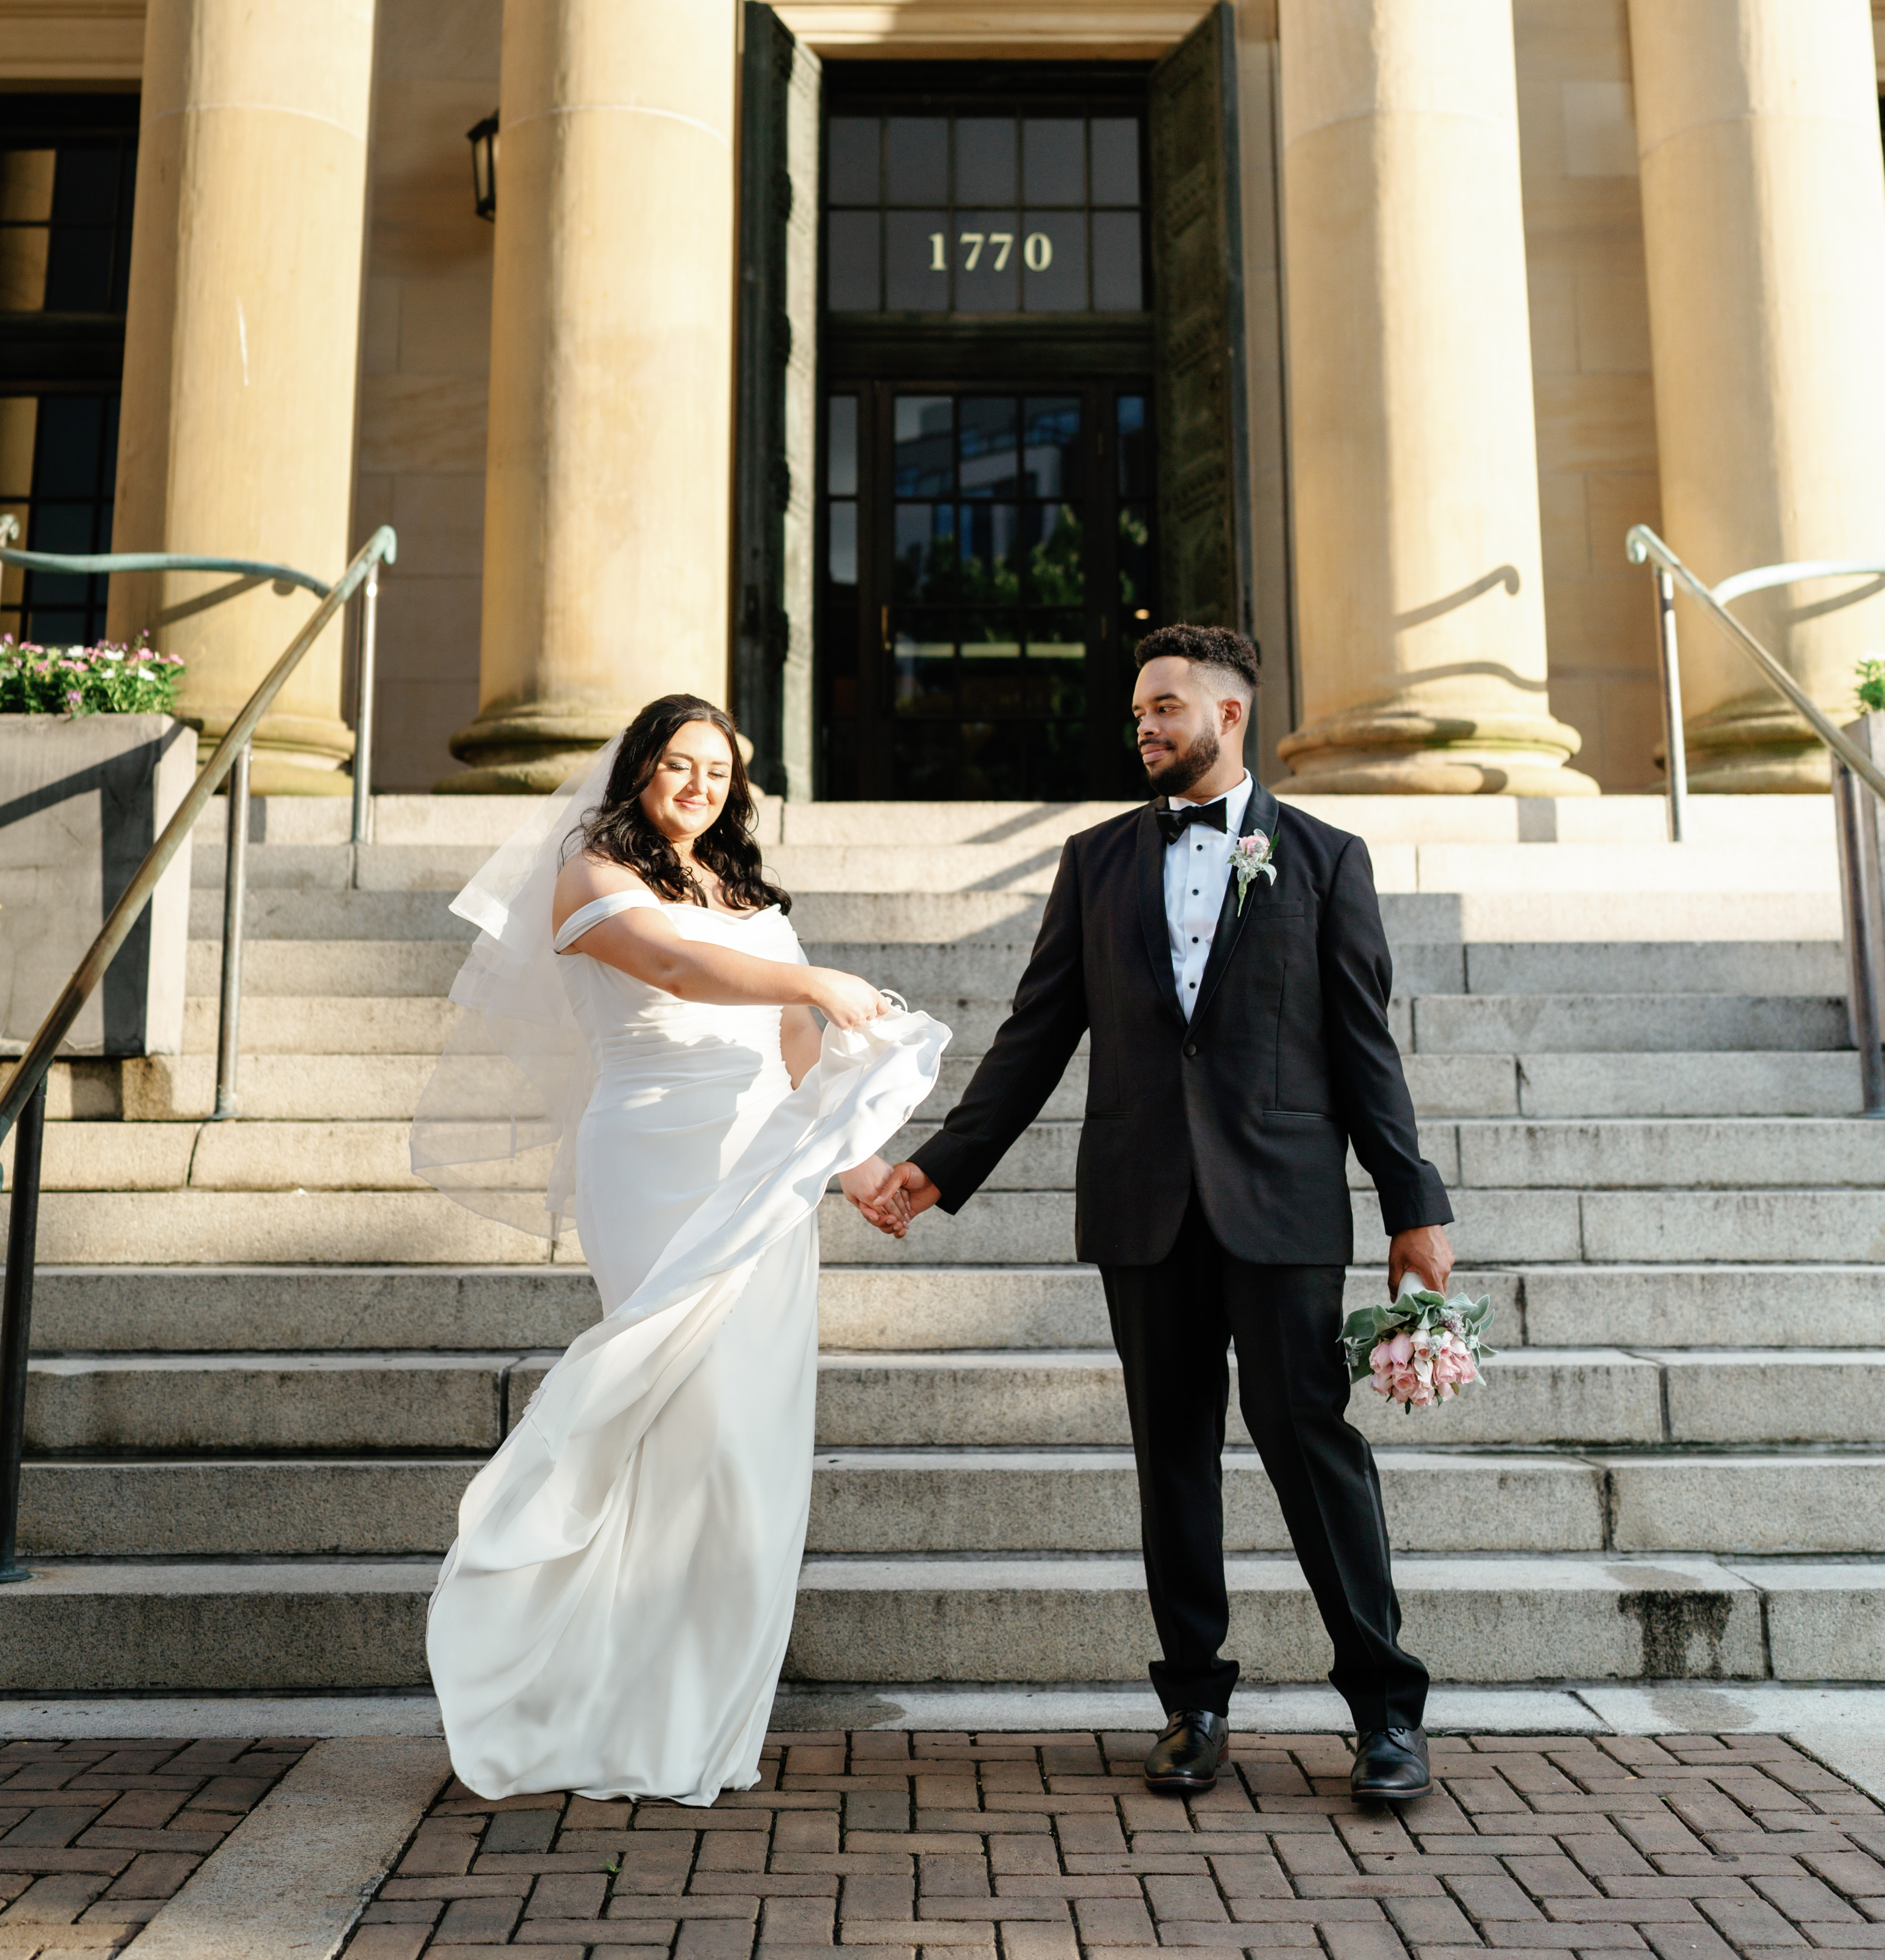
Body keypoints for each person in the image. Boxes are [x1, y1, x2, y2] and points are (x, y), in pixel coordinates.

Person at [857, 622, 1453, 1805]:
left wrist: (1410, 1206)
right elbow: (1035, 1037)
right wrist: (941, 1167)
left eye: (1163, 707)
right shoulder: (1094, 863)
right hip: (1143, 1210)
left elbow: (1362, 1049)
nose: (1143, 725)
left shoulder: (1326, 858)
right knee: (1169, 1461)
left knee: (1313, 1454)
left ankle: (1385, 1713)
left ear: (1226, 717)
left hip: (1280, 1208)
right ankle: (1193, 1705)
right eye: (1137, 709)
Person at [413, 695, 943, 1806]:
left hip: (766, 1173)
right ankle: (579, 1683)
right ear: (638, 769)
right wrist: (811, 977)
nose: (700, 784)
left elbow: (794, 1047)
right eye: (679, 763)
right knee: (675, 1425)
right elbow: (675, 970)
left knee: (746, 1449)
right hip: (656, 1158)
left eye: (719, 770)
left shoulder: (741, 893)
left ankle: (697, 1712)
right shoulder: (590, 875)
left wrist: (855, 1171)